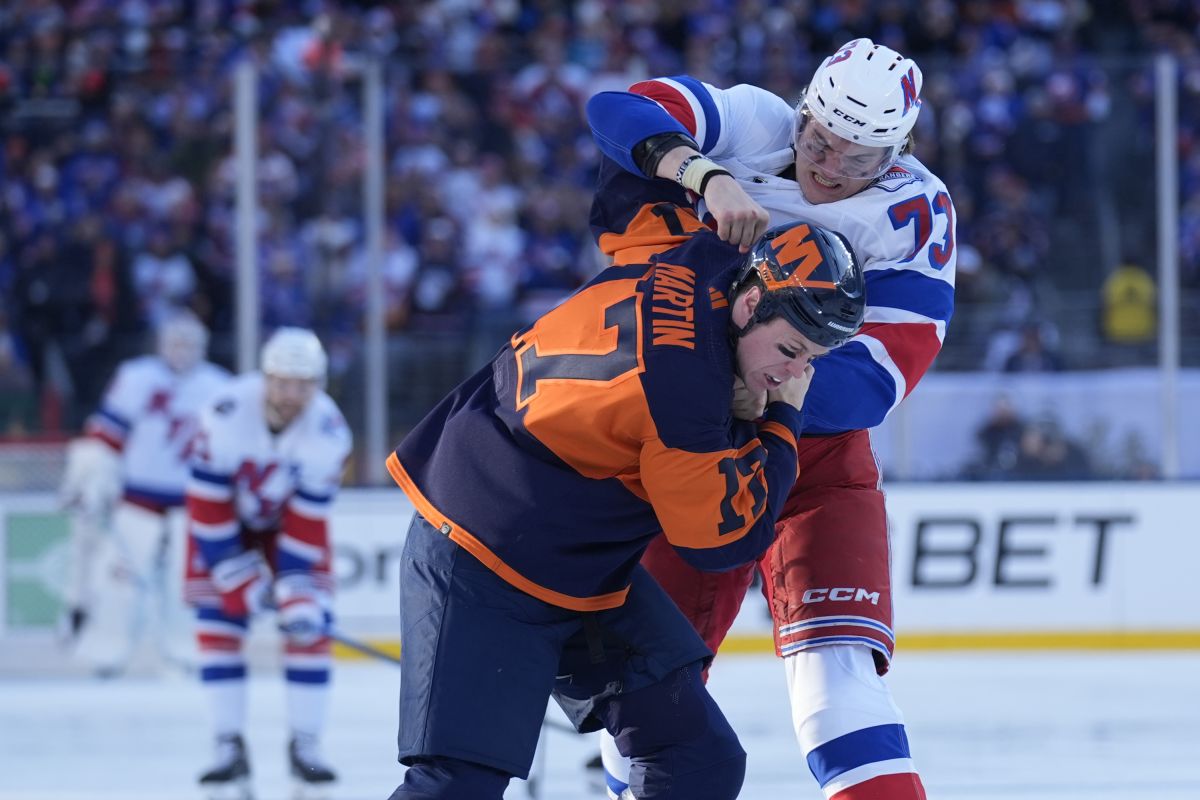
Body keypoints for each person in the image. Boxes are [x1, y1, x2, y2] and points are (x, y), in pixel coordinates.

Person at [384, 207, 866, 799]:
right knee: (456, 784)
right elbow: (724, 540)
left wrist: (704, 178)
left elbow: (626, 160)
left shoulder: (702, 253)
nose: (794, 374)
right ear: (748, 306)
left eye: (811, 361)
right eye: (790, 350)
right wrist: (781, 424)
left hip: (573, 558)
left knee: (698, 760)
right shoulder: (684, 396)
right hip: (480, 548)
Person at [586, 37, 957, 799]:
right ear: (804, 112)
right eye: (820, 139)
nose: (826, 166)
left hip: (806, 450)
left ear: (899, 151)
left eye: (856, 160)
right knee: (647, 696)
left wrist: (745, 394)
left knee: (838, 690)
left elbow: (882, 377)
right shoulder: (753, 122)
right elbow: (614, 112)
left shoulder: (918, 211)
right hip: (694, 449)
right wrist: (705, 173)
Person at [184, 327, 352, 797]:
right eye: (281, 382)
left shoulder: (330, 430)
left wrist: (295, 586)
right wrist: (233, 572)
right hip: (222, 525)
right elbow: (206, 499)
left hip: (287, 530)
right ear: (266, 377)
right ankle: (227, 746)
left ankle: (306, 747)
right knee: (218, 626)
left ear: (317, 385)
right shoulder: (224, 412)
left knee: (309, 628)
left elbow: (308, 516)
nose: (290, 394)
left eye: (302, 385)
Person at [59, 309, 230, 675]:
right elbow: (106, 438)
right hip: (137, 499)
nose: (182, 350)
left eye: (190, 343)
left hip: (193, 504)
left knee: (190, 587)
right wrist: (87, 481)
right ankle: (106, 652)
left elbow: (230, 452)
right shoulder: (135, 377)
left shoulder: (219, 386)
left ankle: (188, 652)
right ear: (161, 344)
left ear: (204, 346)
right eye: (176, 342)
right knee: (118, 580)